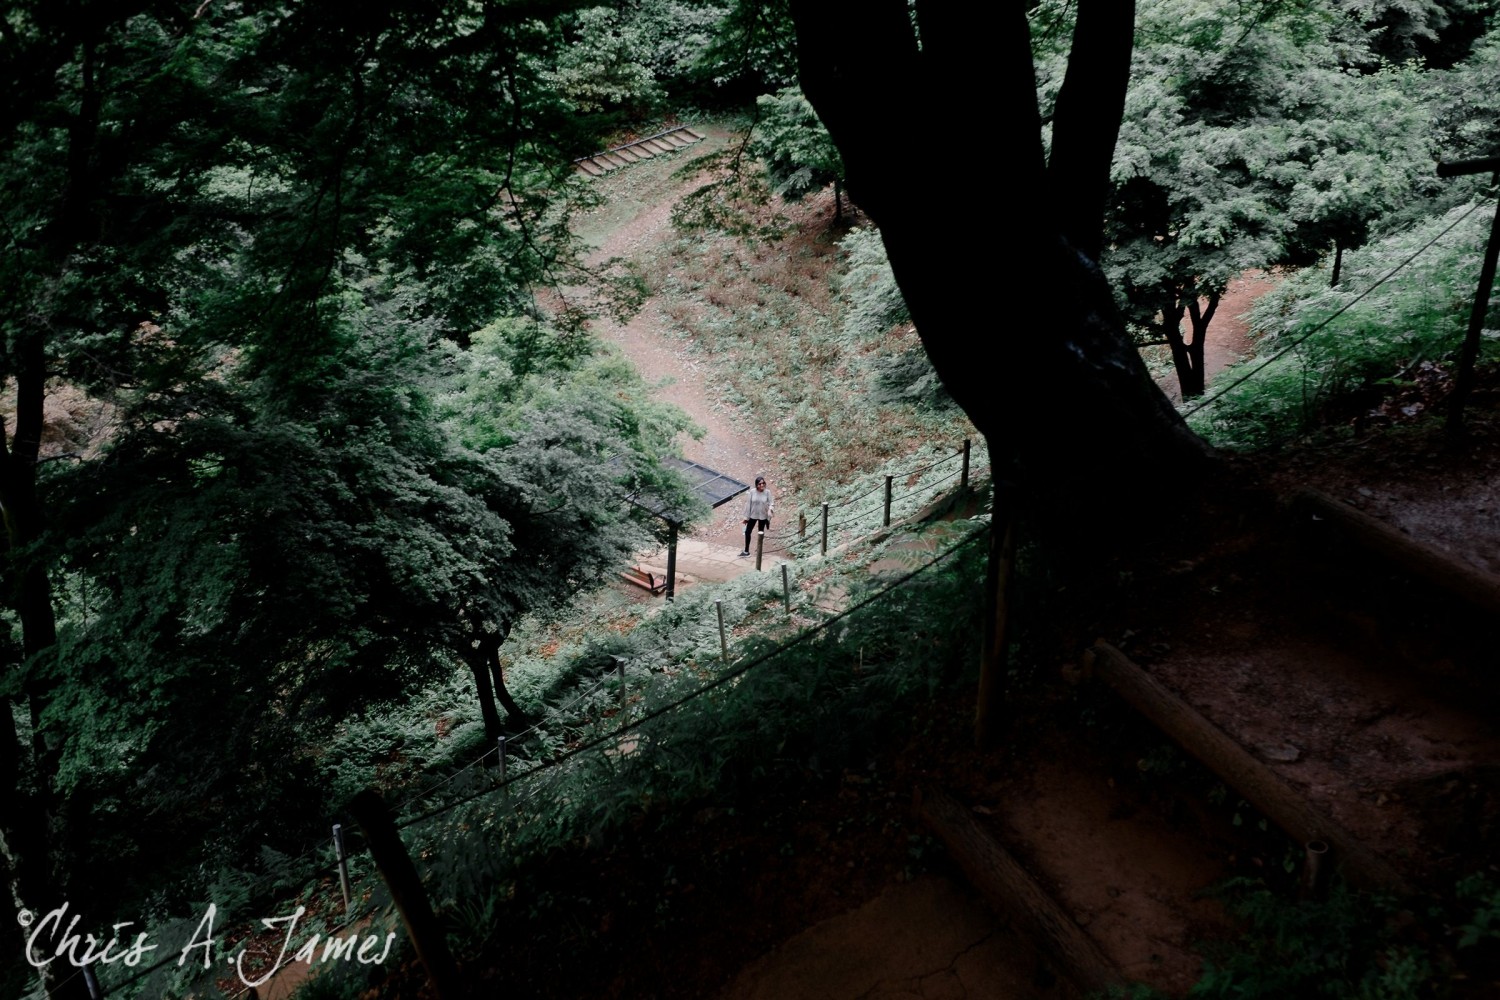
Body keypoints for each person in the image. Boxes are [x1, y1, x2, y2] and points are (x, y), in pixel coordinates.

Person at [741, 475, 774, 556]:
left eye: (763, 483)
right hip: (753, 515)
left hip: (763, 516)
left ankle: (759, 550)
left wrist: (770, 509)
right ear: (756, 485)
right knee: (747, 532)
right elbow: (748, 504)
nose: (762, 485)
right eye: (760, 484)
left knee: (760, 533)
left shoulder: (767, 492)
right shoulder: (752, 492)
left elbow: (771, 503)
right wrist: (746, 517)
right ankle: (746, 551)